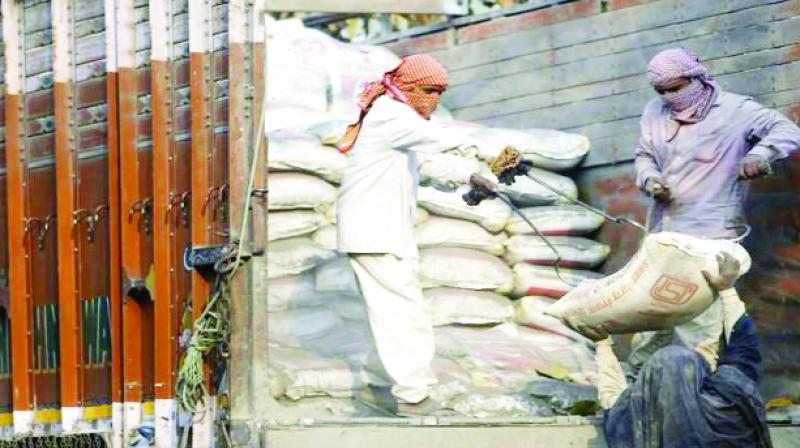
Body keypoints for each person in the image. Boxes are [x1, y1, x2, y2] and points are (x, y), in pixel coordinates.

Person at [630, 47, 800, 371]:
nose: (669, 97)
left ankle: (700, 390)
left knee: (699, 318)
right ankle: (642, 387)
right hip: (664, 231)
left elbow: (789, 131)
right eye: (661, 91)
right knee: (650, 311)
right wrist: (650, 178)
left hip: (712, 233)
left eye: (676, 88)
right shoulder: (655, 112)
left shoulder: (737, 110)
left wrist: (760, 154)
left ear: (697, 77)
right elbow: (644, 154)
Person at [336, 54, 482, 416]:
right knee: (404, 315)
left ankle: (384, 388)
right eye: (429, 91)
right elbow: (437, 138)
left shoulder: (398, 118)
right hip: (375, 232)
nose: (434, 100)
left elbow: (427, 162)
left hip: (381, 232)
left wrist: (472, 177)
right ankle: (415, 397)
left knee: (388, 312)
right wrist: (493, 156)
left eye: (440, 93)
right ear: (408, 87)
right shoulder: (391, 114)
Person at [569, 252, 772, 448]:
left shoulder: (636, 421)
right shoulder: (727, 405)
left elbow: (612, 397)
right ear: (700, 374)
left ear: (647, 385)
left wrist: (602, 342)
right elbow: (744, 350)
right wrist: (726, 289)